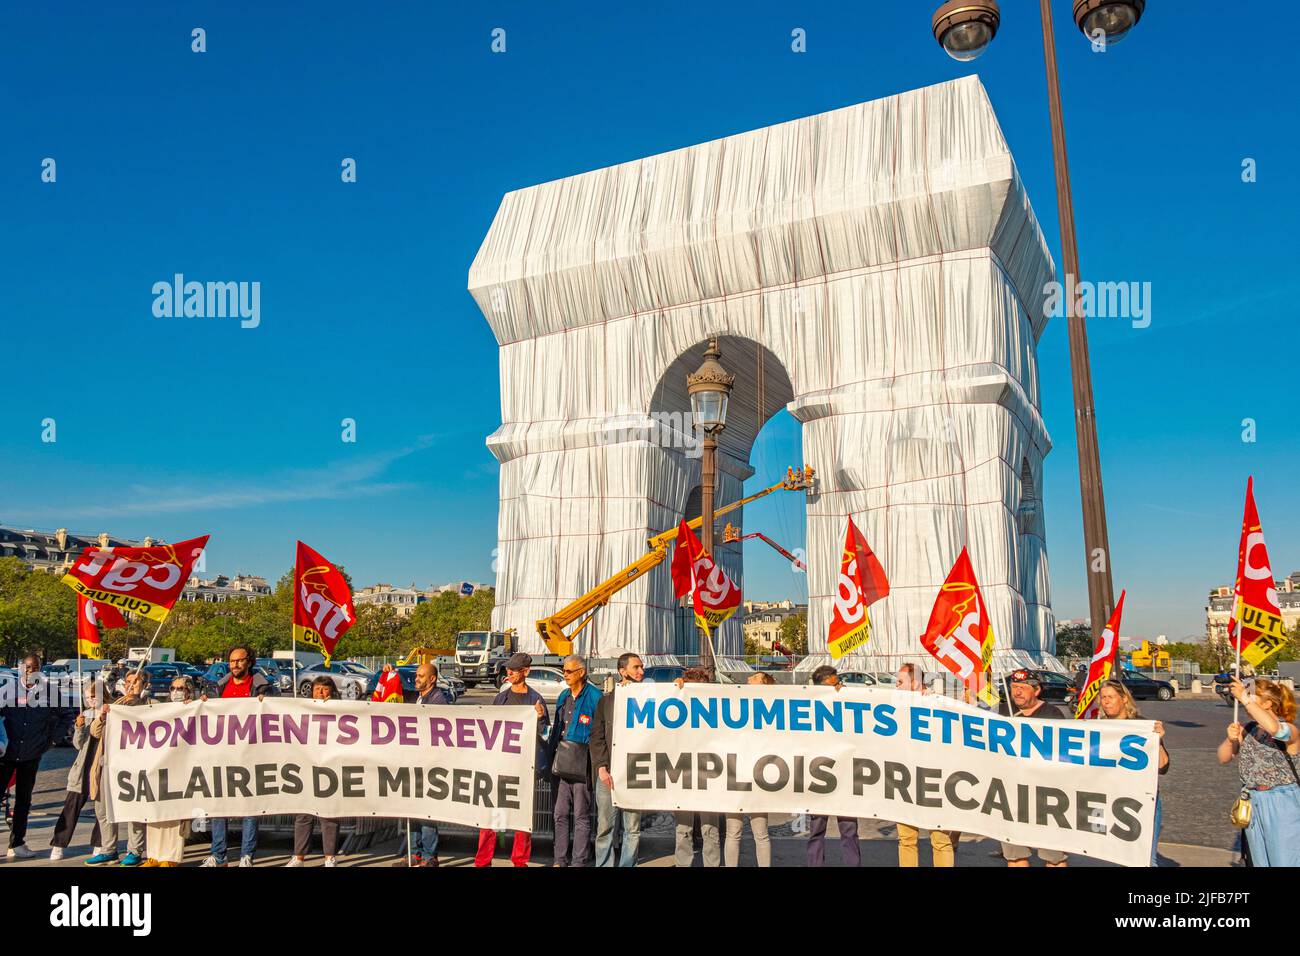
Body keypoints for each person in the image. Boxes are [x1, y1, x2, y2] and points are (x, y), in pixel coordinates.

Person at [476, 652, 550, 867]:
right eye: (508, 668)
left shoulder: (536, 700)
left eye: (514, 669)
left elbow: (544, 735)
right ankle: (483, 861)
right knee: (491, 816)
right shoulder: (501, 698)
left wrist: (539, 719)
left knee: (522, 819)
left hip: (523, 769)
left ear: (526, 672)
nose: (509, 672)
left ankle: (520, 861)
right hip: (499, 767)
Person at [1217, 676, 1300, 867]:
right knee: (1259, 862)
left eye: (1252, 695)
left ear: (1267, 703)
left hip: (1282, 800)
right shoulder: (1248, 728)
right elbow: (1223, 757)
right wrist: (1230, 741)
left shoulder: (1290, 730)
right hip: (1253, 799)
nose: (1245, 699)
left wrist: (1245, 699)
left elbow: (1275, 730)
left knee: (1286, 861)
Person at [201, 645, 271, 867]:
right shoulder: (219, 688)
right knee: (219, 805)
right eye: (232, 661)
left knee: (249, 806)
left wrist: (266, 703)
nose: (235, 665)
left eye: (240, 661)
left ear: (249, 661)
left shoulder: (263, 688)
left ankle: (246, 855)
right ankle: (218, 854)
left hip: (251, 755)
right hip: (223, 754)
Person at [1, 654, 71, 860]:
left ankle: (17, 843)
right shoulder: (7, 691)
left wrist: (51, 740)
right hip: (6, 754)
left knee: (24, 801)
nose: (32, 672)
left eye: (36, 668)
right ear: (21, 668)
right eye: (29, 668)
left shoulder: (50, 692)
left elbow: (66, 716)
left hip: (31, 754)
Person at [892, 663, 960, 867]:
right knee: (906, 840)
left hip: (934, 782)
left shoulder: (938, 705)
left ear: (915, 683)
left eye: (899, 682)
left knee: (940, 840)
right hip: (905, 780)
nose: (895, 687)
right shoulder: (895, 707)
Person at [1001, 668, 1069, 867]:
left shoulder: (1052, 715)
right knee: (1015, 856)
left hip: (1047, 797)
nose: (1017, 692)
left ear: (1036, 690)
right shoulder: (1004, 712)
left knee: (1054, 857)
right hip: (1012, 796)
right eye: (1014, 687)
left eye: (1022, 687)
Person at [1096, 679, 1169, 866]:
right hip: (1109, 801)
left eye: (1111, 697)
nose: (1106, 702)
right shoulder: (1098, 727)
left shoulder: (1142, 726)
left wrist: (1158, 741)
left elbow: (1163, 767)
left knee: (1145, 859)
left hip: (1141, 802)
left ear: (1124, 699)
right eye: (1103, 698)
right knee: (1113, 859)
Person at [85, 668, 149, 866]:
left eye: (136, 682)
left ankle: (135, 851)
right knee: (103, 810)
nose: (131, 685)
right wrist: (103, 716)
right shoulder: (116, 704)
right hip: (108, 764)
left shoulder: (150, 705)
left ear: (145, 685)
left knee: (134, 810)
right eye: (128, 681)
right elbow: (95, 732)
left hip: (135, 766)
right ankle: (108, 849)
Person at [591, 652, 644, 868]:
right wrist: (601, 769)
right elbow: (597, 736)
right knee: (605, 828)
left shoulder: (650, 697)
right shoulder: (606, 702)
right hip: (609, 775)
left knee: (632, 829)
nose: (641, 671)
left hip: (636, 774)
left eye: (642, 667)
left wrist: (680, 685)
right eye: (636, 668)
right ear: (622, 672)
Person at [548, 654, 602, 867]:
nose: (565, 674)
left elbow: (602, 731)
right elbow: (556, 728)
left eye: (569, 671)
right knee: (559, 814)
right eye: (564, 670)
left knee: (581, 815)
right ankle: (559, 860)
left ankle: (578, 861)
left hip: (583, 764)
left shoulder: (595, 697)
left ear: (581, 672)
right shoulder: (563, 696)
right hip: (562, 763)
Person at [805, 664, 860, 868]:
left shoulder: (848, 704)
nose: (841, 686)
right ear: (823, 685)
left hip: (845, 775)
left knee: (849, 830)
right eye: (837, 683)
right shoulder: (808, 707)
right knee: (817, 830)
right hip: (819, 776)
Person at [141, 676, 199, 867]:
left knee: (175, 813)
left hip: (182, 767)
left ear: (188, 691)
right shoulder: (160, 709)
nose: (176, 691)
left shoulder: (195, 708)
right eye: (173, 688)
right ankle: (154, 856)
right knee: (155, 812)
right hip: (159, 766)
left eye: (180, 688)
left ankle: (170, 858)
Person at [288, 676, 344, 868]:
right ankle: (299, 857)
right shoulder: (302, 708)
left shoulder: (341, 711)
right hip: (307, 765)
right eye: (317, 689)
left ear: (332, 691)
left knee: (329, 814)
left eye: (325, 689)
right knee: (304, 814)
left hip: (331, 767)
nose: (320, 693)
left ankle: (329, 857)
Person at [49, 676, 106, 861]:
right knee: (71, 808)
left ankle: (99, 844)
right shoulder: (85, 714)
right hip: (83, 767)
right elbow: (77, 744)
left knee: (102, 810)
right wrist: (79, 727)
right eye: (88, 697)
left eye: (94, 696)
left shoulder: (110, 713)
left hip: (103, 766)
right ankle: (58, 844)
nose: (91, 700)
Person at [724, 672, 775, 867]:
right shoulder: (737, 702)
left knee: (760, 833)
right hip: (735, 776)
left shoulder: (772, 708)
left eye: (754, 677)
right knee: (733, 832)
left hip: (759, 778)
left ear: (763, 684)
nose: (748, 679)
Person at [401, 662, 449, 867]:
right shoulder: (419, 697)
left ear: (432, 679)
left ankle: (430, 856)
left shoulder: (438, 700)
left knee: (427, 812)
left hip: (430, 763)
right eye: (416, 675)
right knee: (414, 810)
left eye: (421, 676)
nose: (416, 679)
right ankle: (416, 853)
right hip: (416, 762)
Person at [674, 667, 722, 868]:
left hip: (709, 775)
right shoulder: (678, 702)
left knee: (709, 828)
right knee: (683, 827)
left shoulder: (717, 704)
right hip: (684, 773)